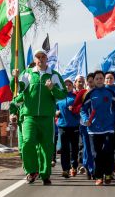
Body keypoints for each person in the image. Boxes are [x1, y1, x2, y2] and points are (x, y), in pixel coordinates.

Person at [12, 49, 67, 185]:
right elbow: (18, 91)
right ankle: (32, 171)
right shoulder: (28, 73)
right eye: (38, 57)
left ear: (46, 59)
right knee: (28, 142)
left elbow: (63, 94)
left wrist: (52, 88)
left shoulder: (54, 76)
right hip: (29, 116)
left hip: (47, 117)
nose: (40, 59)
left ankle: (45, 174)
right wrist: (15, 78)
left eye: (43, 57)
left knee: (46, 146)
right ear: (35, 60)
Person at [80, 70, 115, 186]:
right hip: (93, 129)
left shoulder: (110, 92)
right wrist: (85, 120)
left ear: (104, 79)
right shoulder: (90, 94)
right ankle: (98, 176)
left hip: (108, 127)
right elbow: (83, 110)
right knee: (96, 154)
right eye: (97, 78)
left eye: (101, 78)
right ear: (93, 80)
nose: (99, 80)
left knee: (107, 151)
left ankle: (108, 173)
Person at [56, 78, 80, 178]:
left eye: (69, 85)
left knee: (74, 148)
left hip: (74, 125)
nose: (67, 86)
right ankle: (65, 169)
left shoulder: (75, 97)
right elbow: (54, 108)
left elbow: (80, 110)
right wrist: (56, 113)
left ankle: (74, 166)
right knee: (64, 149)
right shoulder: (58, 97)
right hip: (62, 126)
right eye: (65, 85)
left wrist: (74, 110)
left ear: (72, 86)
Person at [74, 73, 94, 178]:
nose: (91, 83)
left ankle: (94, 167)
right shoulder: (83, 93)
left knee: (95, 147)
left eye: (93, 81)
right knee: (87, 147)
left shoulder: (99, 92)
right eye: (89, 81)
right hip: (84, 124)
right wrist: (85, 117)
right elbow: (76, 107)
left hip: (99, 125)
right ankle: (88, 167)